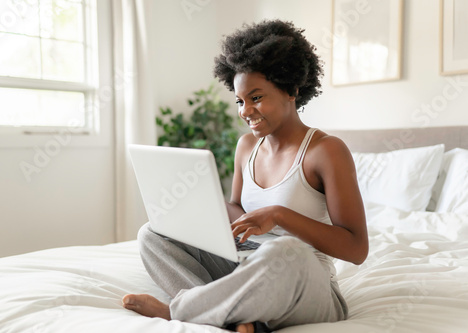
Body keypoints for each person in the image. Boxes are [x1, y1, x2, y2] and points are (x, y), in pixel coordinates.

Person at [122, 19, 368, 333]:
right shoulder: (246, 146)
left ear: (291, 89)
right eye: (240, 101)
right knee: (152, 235)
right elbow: (240, 215)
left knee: (286, 250)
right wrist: (202, 203)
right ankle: (237, 317)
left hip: (305, 280)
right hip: (247, 263)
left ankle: (179, 311)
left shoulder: (326, 151)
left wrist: (279, 215)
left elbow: (356, 249)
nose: (244, 110)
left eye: (255, 97)